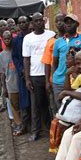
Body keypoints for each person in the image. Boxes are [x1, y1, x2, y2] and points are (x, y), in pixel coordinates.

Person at [23, 12, 55, 142]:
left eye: (41, 20)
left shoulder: (52, 35)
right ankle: (35, 131)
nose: (39, 23)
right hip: (35, 75)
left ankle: (51, 129)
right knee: (35, 104)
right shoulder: (28, 38)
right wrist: (27, 78)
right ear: (32, 23)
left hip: (51, 75)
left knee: (50, 103)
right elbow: (26, 59)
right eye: (36, 21)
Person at [0, 31, 24, 135]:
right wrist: (4, 88)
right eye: (5, 39)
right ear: (3, 40)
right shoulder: (2, 55)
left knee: (23, 106)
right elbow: (2, 73)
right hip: (10, 85)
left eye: (9, 38)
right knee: (14, 106)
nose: (7, 40)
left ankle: (24, 124)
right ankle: (18, 124)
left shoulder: (17, 51)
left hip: (20, 83)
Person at [42, 12, 65, 115]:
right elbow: (47, 63)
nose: (59, 23)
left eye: (62, 20)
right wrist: (47, 81)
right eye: (57, 21)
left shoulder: (74, 37)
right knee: (56, 108)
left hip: (72, 80)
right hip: (55, 81)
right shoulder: (51, 41)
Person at [12, 16, 32, 133]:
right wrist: (21, 69)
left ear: (28, 23)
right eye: (20, 23)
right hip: (22, 75)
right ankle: (25, 125)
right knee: (24, 101)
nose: (23, 24)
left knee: (35, 100)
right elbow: (14, 56)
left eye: (24, 22)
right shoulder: (16, 40)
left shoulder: (32, 37)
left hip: (34, 72)